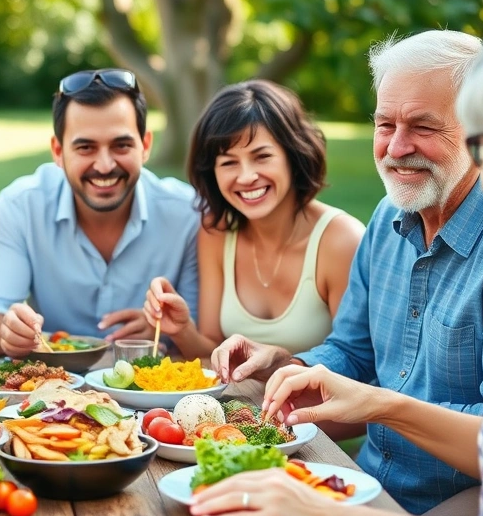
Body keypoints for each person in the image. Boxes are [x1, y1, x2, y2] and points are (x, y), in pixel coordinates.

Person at [192, 1, 483, 516]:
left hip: (459, 502)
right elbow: (354, 354)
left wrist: (379, 418)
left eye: (424, 127)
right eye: (385, 124)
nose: (397, 147)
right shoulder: (390, 218)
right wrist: (285, 363)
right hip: (367, 478)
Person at [0, 68, 200, 357]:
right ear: (57, 151)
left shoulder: (188, 214)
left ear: (145, 146)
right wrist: (7, 331)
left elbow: (202, 336)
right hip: (49, 386)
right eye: (86, 147)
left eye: (121, 145)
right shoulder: (21, 205)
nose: (104, 165)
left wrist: (167, 328)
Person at [142, 80, 364, 359]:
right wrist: (182, 329)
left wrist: (281, 363)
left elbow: (357, 361)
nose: (246, 177)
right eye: (228, 162)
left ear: (293, 156)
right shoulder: (217, 233)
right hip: (239, 402)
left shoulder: (341, 240)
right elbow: (212, 351)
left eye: (262, 157)